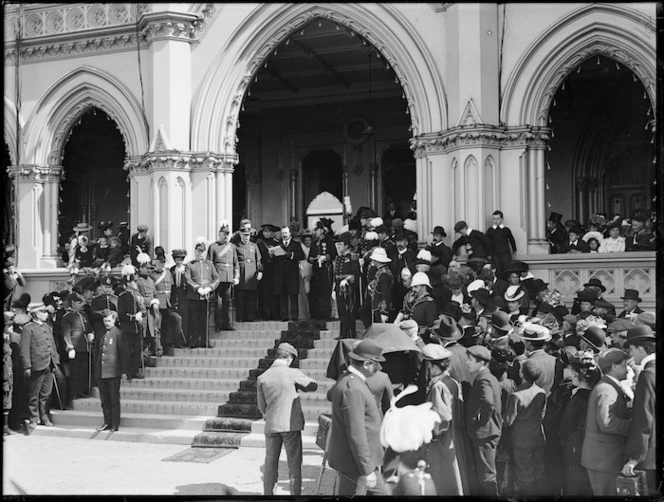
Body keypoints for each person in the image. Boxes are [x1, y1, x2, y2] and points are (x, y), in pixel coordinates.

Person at [327, 339, 389, 496]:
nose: (380, 368)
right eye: (377, 363)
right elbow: (356, 433)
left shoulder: (351, 380)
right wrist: (367, 469)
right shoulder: (353, 387)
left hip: (358, 462)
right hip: (356, 465)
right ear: (367, 363)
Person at [257, 342, 317, 496]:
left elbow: (261, 407)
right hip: (290, 425)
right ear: (289, 358)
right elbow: (313, 386)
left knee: (270, 463)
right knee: (294, 465)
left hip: (271, 425)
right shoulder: (293, 373)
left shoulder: (262, 377)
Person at [581, 347, 632, 496]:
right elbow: (607, 423)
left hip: (604, 458)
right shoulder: (607, 390)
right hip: (603, 460)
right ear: (614, 366)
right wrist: (633, 426)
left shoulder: (610, 386)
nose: (628, 369)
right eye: (624, 365)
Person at [422, 343, 471, 495]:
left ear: (433, 365)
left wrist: (432, 435)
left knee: (443, 476)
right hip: (455, 434)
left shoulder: (438, 387)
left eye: (428, 364)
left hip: (443, 439)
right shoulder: (452, 382)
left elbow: (440, 419)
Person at [559, 351, 601, 496]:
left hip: (575, 444)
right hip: (592, 445)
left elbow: (565, 426)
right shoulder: (595, 394)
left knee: (574, 483)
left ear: (577, 375)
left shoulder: (577, 399)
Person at [503, 359, 547, 496]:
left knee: (525, 473)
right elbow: (542, 415)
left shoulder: (515, 395)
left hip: (521, 439)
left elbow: (508, 421)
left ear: (522, 374)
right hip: (538, 436)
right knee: (539, 471)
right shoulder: (541, 392)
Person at [621, 325, 657, 494]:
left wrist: (635, 457)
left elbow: (644, 417)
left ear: (641, 349)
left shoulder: (648, 374)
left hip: (651, 457)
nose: (631, 355)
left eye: (632, 350)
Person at [465, 344, 502, 496]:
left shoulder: (483, 380)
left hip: (485, 434)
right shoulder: (489, 377)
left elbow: (487, 402)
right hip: (489, 432)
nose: (467, 363)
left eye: (471, 360)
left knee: (486, 476)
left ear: (481, 362)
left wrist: (480, 420)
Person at [20, 302, 60, 429]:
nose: (46, 314)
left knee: (46, 394)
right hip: (37, 365)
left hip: (49, 363)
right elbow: (24, 349)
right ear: (36, 314)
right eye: (43, 312)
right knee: (34, 394)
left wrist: (56, 361)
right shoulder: (28, 328)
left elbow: (53, 346)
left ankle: (44, 417)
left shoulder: (47, 327)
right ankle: (33, 418)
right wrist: (27, 366)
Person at [94, 309, 129, 432]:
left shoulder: (119, 334)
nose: (107, 323)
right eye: (105, 321)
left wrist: (124, 371)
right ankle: (106, 422)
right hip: (101, 371)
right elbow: (97, 353)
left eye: (109, 320)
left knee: (114, 399)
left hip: (113, 371)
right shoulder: (100, 333)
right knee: (104, 400)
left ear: (114, 320)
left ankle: (115, 423)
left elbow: (124, 353)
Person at [185, 240, 220, 348]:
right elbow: (187, 279)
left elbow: (216, 278)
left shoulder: (209, 264)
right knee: (194, 319)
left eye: (202, 251)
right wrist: (197, 288)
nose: (200, 254)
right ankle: (194, 341)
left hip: (207, 296)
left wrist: (210, 288)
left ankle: (205, 341)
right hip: (194, 296)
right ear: (195, 251)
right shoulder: (189, 265)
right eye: (198, 251)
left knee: (205, 320)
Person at [61, 292, 94, 402]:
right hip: (75, 347)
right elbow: (66, 334)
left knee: (83, 371)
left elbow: (89, 328)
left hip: (85, 346)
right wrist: (70, 347)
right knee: (75, 372)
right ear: (73, 303)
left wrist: (91, 334)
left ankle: (82, 391)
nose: (82, 304)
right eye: (79, 302)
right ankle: (73, 394)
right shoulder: (67, 317)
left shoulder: (83, 314)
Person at [207, 223, 240, 331]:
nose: (225, 236)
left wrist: (236, 276)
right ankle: (218, 324)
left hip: (228, 277)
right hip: (217, 278)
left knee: (227, 301)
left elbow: (236, 263)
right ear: (219, 234)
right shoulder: (213, 247)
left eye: (227, 234)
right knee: (218, 302)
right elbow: (209, 263)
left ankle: (226, 323)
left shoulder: (232, 247)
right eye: (223, 234)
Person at [117, 266, 147, 380]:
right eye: (133, 281)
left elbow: (143, 309)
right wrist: (134, 318)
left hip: (137, 327)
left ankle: (135, 370)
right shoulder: (123, 296)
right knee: (127, 351)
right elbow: (122, 314)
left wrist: (142, 314)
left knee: (138, 349)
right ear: (128, 283)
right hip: (127, 327)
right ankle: (125, 371)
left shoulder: (138, 296)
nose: (135, 283)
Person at [271, 226, 305, 322]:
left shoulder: (296, 244)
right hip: (281, 274)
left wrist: (292, 255)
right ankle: (284, 316)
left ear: (290, 233)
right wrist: (271, 254)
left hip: (292, 274)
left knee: (293, 295)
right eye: (283, 233)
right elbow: (273, 260)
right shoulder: (278, 244)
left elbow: (302, 256)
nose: (284, 235)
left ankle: (295, 316)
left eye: (286, 233)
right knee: (283, 296)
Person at [151, 256, 182, 354]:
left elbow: (172, 289)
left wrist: (174, 303)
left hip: (168, 304)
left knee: (177, 319)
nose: (161, 265)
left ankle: (175, 343)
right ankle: (159, 348)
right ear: (155, 263)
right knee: (159, 326)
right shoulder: (152, 275)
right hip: (158, 304)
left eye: (163, 263)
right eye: (160, 263)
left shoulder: (168, 273)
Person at [308, 218, 337, 320]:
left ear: (322, 230)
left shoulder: (329, 241)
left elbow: (334, 254)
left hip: (326, 269)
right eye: (314, 230)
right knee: (317, 291)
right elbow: (310, 256)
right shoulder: (313, 243)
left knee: (326, 291)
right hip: (316, 270)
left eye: (317, 230)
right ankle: (318, 313)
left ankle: (327, 313)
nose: (315, 232)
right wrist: (311, 259)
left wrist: (326, 257)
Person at [333, 233, 361, 339]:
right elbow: (336, 274)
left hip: (348, 288)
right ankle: (343, 333)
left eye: (340, 244)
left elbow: (356, 274)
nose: (339, 247)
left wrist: (347, 279)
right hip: (339, 287)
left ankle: (350, 334)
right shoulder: (339, 258)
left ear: (346, 245)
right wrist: (334, 287)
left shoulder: (352, 257)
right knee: (341, 311)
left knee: (349, 311)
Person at [235, 221, 263, 323]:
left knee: (251, 298)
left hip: (251, 275)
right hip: (241, 275)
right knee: (241, 298)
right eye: (244, 235)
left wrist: (260, 271)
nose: (246, 237)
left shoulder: (254, 246)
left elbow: (259, 260)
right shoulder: (236, 246)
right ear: (240, 235)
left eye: (248, 235)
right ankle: (241, 317)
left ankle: (251, 317)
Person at [361, 247, 393, 328]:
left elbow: (386, 293)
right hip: (375, 306)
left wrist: (384, 311)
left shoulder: (384, 274)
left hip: (379, 307)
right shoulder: (380, 271)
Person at [486, 211, 517, 278]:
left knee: (507, 270)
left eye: (498, 218)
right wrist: (488, 254)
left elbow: (512, 240)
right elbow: (487, 243)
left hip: (505, 254)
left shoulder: (506, 230)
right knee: (498, 271)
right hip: (495, 254)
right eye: (494, 219)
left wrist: (514, 251)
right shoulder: (490, 230)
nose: (496, 221)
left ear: (502, 219)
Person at [170, 249, 189, 347]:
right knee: (176, 319)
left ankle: (184, 340)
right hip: (174, 295)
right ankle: (175, 340)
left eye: (181, 260)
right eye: (177, 260)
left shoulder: (186, 269)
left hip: (184, 296)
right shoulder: (172, 270)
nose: (179, 262)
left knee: (184, 318)